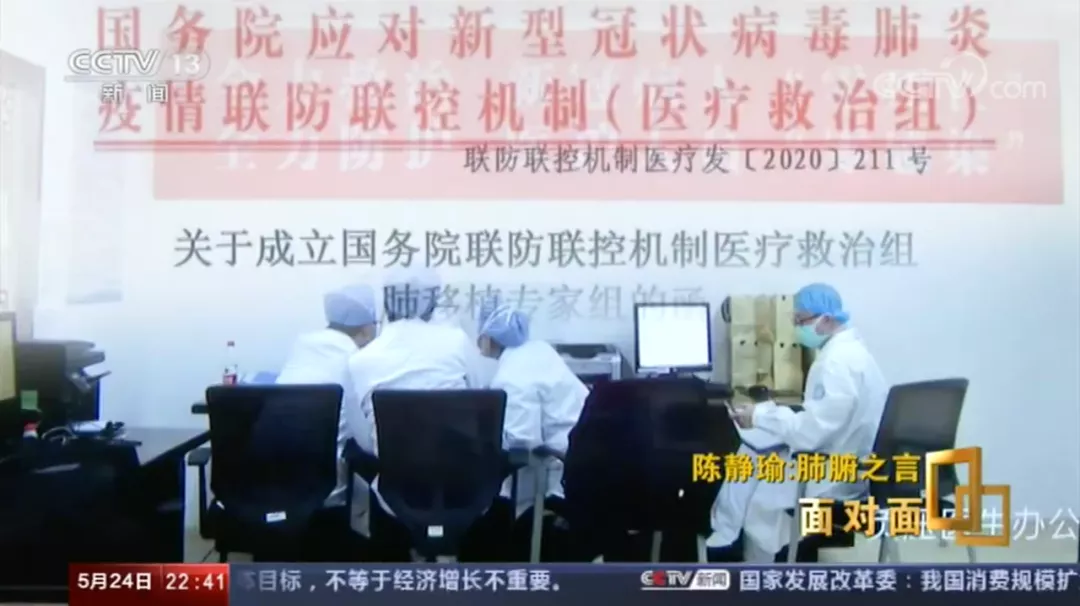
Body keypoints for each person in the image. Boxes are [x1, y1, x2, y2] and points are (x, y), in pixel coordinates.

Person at [707, 283, 888, 562]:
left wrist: (758, 416)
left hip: (833, 475)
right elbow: (822, 420)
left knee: (753, 482)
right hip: (850, 463)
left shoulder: (834, 363)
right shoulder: (855, 354)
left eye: (801, 321)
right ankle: (727, 537)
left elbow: (810, 434)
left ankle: (746, 556)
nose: (796, 328)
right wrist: (767, 415)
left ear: (826, 319)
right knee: (752, 456)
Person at [345, 268, 485, 560]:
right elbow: (480, 404)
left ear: (387, 303)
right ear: (433, 301)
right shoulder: (457, 342)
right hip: (462, 486)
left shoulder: (361, 360)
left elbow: (364, 440)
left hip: (397, 492)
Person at [468, 302, 589, 561]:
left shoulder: (513, 376)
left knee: (482, 520)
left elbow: (522, 440)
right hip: (579, 462)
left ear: (489, 337)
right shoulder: (538, 351)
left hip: (554, 472)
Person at [272, 284, 380, 559]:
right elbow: (367, 440)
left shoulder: (302, 347)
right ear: (366, 330)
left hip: (268, 480)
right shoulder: (358, 361)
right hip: (322, 486)